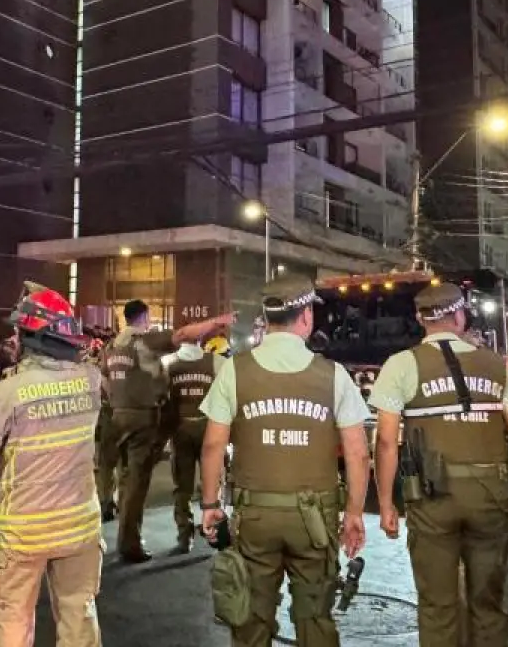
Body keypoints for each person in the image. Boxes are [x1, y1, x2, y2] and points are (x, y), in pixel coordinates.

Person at [199, 276, 370, 647]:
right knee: (315, 617)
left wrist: (211, 504)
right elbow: (358, 452)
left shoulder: (235, 370)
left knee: (252, 619)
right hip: (315, 520)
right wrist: (354, 513)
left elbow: (213, 445)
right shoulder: (334, 375)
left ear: (267, 316)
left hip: (255, 516)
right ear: (306, 316)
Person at [369, 282, 508, 647]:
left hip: (432, 502)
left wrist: (386, 504)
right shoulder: (496, 365)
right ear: (460, 315)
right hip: (490, 497)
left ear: (420, 319)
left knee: (437, 605)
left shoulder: (401, 365)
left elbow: (386, 441)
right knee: (487, 603)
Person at [0, 281, 104, 646]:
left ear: (28, 337)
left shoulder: (12, 389)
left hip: (25, 528)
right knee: (79, 613)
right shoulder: (90, 380)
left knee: (13, 617)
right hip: (79, 525)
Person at [102, 299, 234, 562]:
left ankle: (119, 521)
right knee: (137, 483)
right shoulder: (145, 341)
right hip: (144, 420)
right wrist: (216, 322)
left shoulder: (111, 346)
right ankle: (130, 544)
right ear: (144, 318)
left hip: (116, 418)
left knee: (124, 478)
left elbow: (104, 381)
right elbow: (183, 334)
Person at [163, 338, 228, 554]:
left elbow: (162, 398)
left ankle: (184, 535)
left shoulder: (168, 363)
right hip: (208, 429)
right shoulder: (216, 362)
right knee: (213, 481)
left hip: (180, 430)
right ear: (201, 340)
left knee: (182, 486)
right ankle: (215, 531)